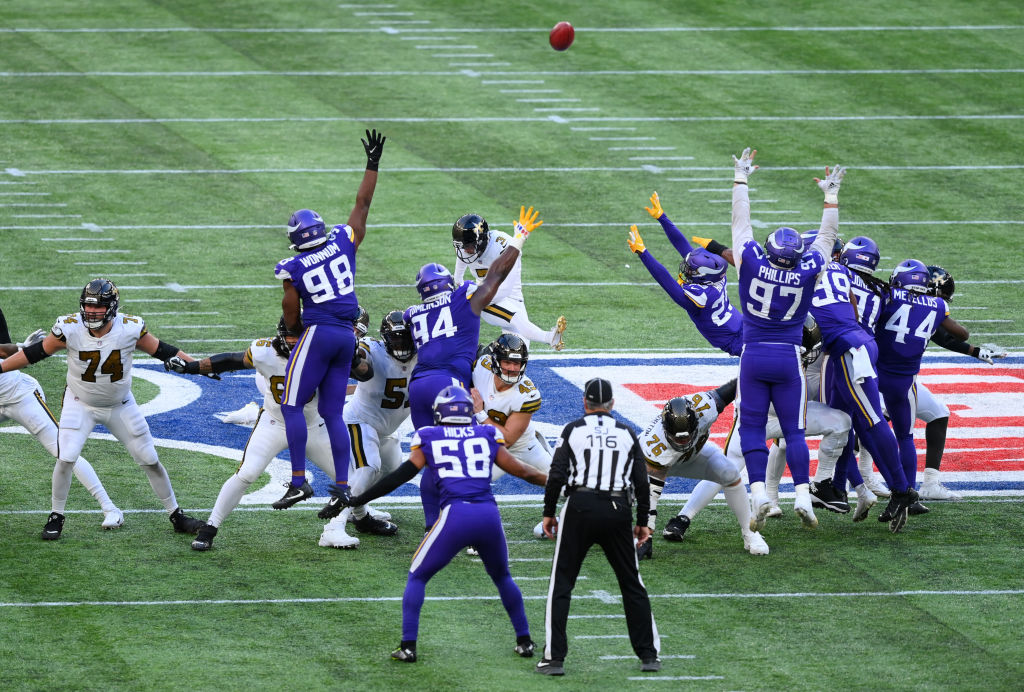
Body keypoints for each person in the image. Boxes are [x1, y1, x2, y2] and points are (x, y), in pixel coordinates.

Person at [335, 385, 547, 663]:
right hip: (488, 514)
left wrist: (357, 499)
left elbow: (399, 476)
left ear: (439, 413)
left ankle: (408, 646)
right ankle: (525, 641)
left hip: (456, 515)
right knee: (502, 577)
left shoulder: (430, 437)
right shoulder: (487, 434)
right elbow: (523, 471)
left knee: (417, 575)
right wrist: (558, 482)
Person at [0, 278, 204, 539]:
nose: (91, 311)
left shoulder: (131, 328)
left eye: (98, 307)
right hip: (80, 403)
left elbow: (163, 350)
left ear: (111, 307)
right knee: (65, 457)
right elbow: (36, 352)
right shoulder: (69, 327)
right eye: (88, 306)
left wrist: (196, 365)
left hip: (120, 404)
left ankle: (176, 515)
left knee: (150, 460)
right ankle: (56, 516)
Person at [165, 315, 376, 550]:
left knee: (350, 479)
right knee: (246, 474)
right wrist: (192, 367)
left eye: (300, 337)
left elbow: (365, 374)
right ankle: (210, 527)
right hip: (275, 423)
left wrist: (354, 357)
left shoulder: (323, 352)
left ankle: (361, 518)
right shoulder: (264, 351)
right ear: (280, 336)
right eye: (291, 336)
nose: (295, 342)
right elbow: (231, 360)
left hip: (316, 426)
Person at [397, 206, 544, 529]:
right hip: (449, 385)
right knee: (463, 453)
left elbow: (400, 338)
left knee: (429, 456)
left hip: (418, 384)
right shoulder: (463, 298)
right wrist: (519, 239)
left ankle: (431, 522)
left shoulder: (411, 313)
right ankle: (466, 517)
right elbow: (495, 277)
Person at [730, 147, 844, 530]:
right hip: (789, 357)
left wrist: (741, 179)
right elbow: (827, 237)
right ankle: (800, 494)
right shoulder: (808, 267)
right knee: (794, 431)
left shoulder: (751, 261)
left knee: (751, 428)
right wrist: (831, 196)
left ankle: (760, 492)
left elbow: (740, 225)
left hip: (754, 355)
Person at [273, 128, 385, 515]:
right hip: (347, 334)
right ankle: (340, 486)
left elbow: (291, 308)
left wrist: (292, 333)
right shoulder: (342, 241)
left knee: (290, 404)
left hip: (319, 332)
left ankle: (300, 481)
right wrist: (372, 163)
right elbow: (363, 204)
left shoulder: (294, 265)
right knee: (332, 413)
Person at [537, 378, 660, 676]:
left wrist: (549, 513)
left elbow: (556, 476)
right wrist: (644, 521)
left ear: (585, 403)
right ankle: (649, 655)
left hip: (579, 506)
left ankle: (554, 659)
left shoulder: (573, 430)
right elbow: (642, 484)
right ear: (612, 405)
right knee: (632, 583)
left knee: (562, 583)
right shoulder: (627, 433)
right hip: (618, 509)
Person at [0, 331, 123, 534]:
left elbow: (4, 350)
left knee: (65, 452)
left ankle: (110, 508)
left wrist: (23, 348)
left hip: (20, 396)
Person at [876, 259, 969, 521]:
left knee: (865, 430)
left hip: (874, 373)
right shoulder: (938, 305)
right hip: (905, 382)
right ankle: (906, 490)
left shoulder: (887, 296)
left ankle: (869, 487)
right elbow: (961, 333)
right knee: (905, 437)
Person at [320, 310, 417, 548]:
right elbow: (362, 361)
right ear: (385, 339)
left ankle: (360, 515)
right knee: (367, 468)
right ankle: (333, 527)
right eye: (396, 339)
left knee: (393, 471)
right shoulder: (372, 348)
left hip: (386, 429)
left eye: (407, 338)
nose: (402, 344)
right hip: (360, 421)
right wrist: (354, 357)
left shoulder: (425, 353)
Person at [639, 380, 769, 558]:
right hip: (645, 465)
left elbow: (738, 384)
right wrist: (646, 537)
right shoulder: (656, 447)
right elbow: (651, 496)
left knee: (729, 473)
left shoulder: (705, 407)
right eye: (678, 439)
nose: (682, 442)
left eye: (687, 437)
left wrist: (755, 372)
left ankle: (750, 533)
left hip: (691, 457)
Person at [628, 192, 742, 356]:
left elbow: (666, 282)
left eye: (691, 270)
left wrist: (643, 253)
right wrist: (662, 217)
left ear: (704, 275)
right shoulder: (715, 276)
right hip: (744, 326)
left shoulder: (702, 297)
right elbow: (683, 246)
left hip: (738, 342)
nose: (687, 270)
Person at [452, 212, 567, 350]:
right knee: (515, 318)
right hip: (485, 291)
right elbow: (459, 275)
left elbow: (505, 289)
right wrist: (462, 287)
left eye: (469, 246)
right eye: (462, 246)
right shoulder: (467, 249)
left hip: (509, 293)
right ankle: (550, 338)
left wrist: (480, 296)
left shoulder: (504, 246)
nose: (465, 250)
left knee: (521, 348)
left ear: (481, 241)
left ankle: (492, 357)